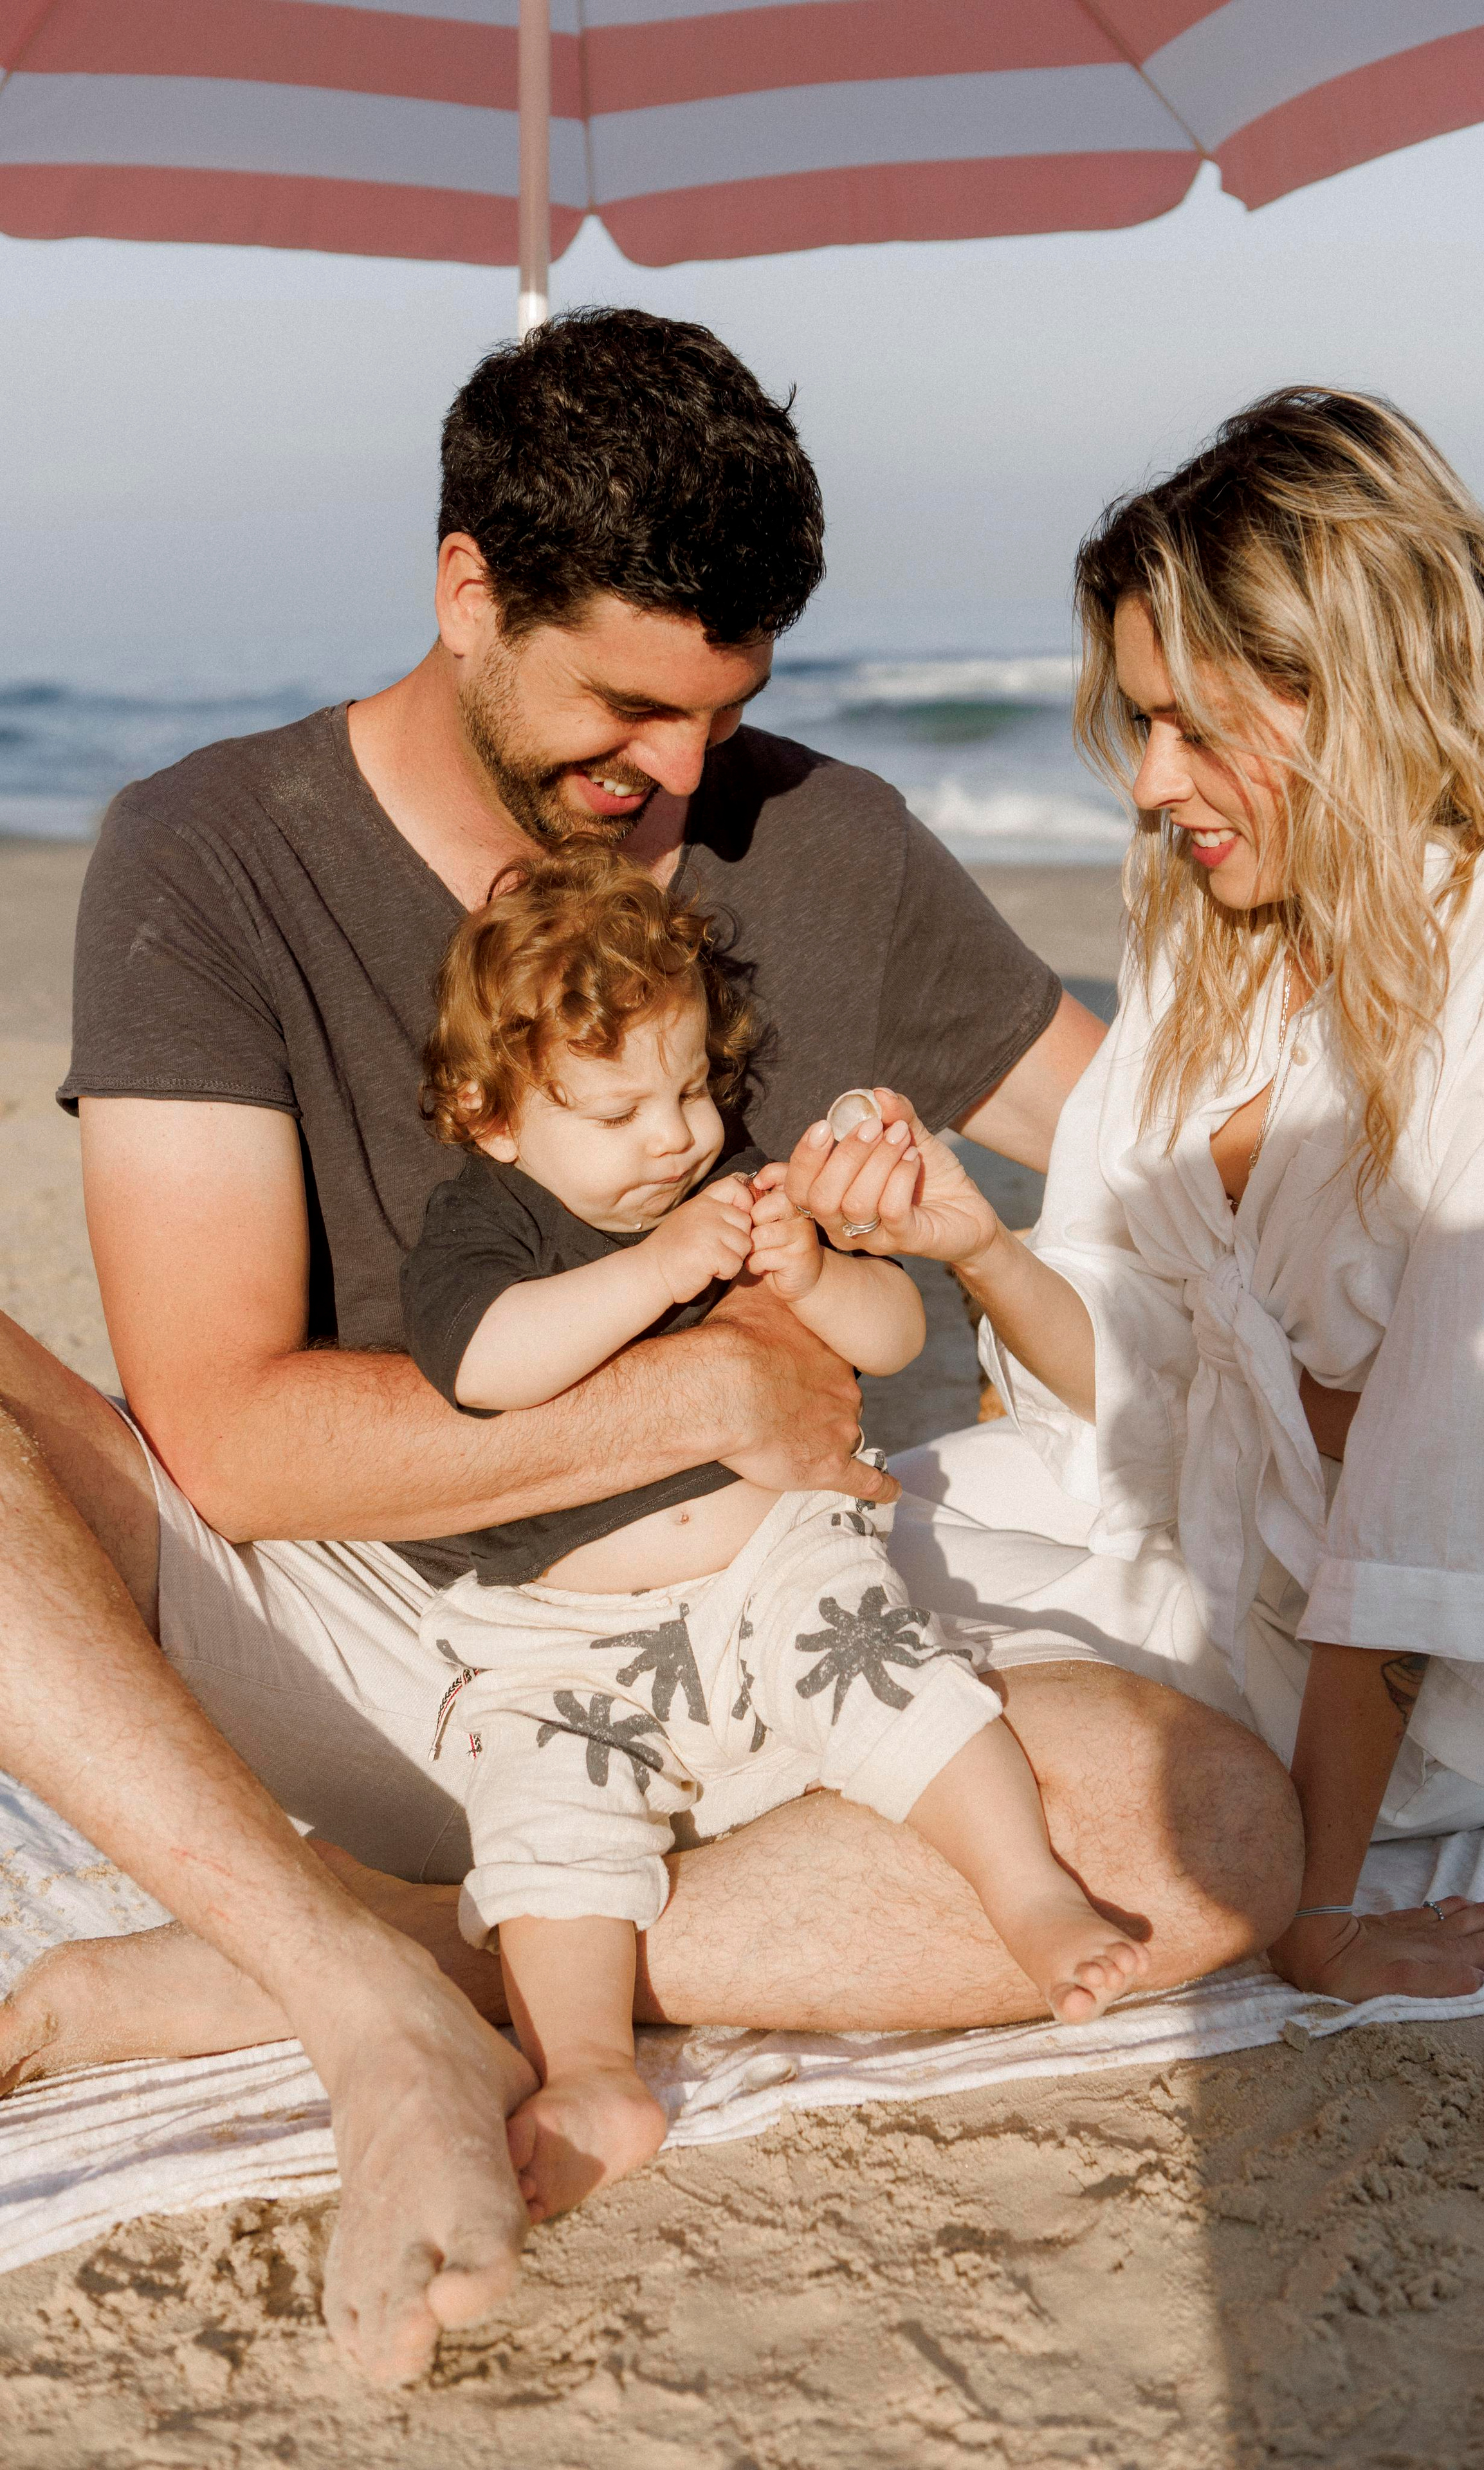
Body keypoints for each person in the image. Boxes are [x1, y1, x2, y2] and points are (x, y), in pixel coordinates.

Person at [0, 309, 1299, 2386]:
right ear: (469, 593)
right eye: (626, 707)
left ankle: (464, 1953)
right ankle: (363, 2001)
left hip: (739, 1650)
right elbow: (228, 1438)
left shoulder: (826, 844)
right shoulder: (210, 855)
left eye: (725, 710)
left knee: (1207, 1837)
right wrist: (691, 1386)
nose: (680, 775)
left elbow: (1167, 1143)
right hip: (351, 1628)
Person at [792, 386, 1484, 2010]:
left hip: (1388, 1681)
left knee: (814, 1658)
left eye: (1190, 727)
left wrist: (1316, 1911)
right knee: (770, 1548)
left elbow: (1444, 1474)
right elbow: (1142, 1366)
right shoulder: (1228, 922)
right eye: (1139, 727)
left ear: (1349, 686)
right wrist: (975, 1246)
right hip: (1159, 1523)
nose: (1148, 784)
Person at [399, 845, 1150, 2221]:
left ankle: (1027, 1893)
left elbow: (894, 1336)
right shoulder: (485, 1225)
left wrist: (811, 1271)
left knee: (899, 1680)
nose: (675, 1137)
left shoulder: (733, 1189)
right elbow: (487, 1365)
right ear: (490, 1117)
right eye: (619, 1110)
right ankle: (590, 2069)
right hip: (568, 1634)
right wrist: (657, 1269)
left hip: (770, 1572)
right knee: (544, 1815)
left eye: (691, 1089)